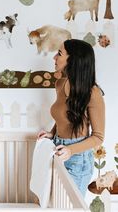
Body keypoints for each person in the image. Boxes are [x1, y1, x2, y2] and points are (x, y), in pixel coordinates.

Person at [38, 39, 105, 197]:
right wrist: (52, 133)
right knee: (55, 203)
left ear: (73, 60)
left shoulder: (93, 93)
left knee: (70, 206)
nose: (54, 57)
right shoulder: (60, 84)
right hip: (58, 149)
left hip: (77, 158)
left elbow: (98, 137)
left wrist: (70, 150)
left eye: (59, 53)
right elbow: (64, 115)